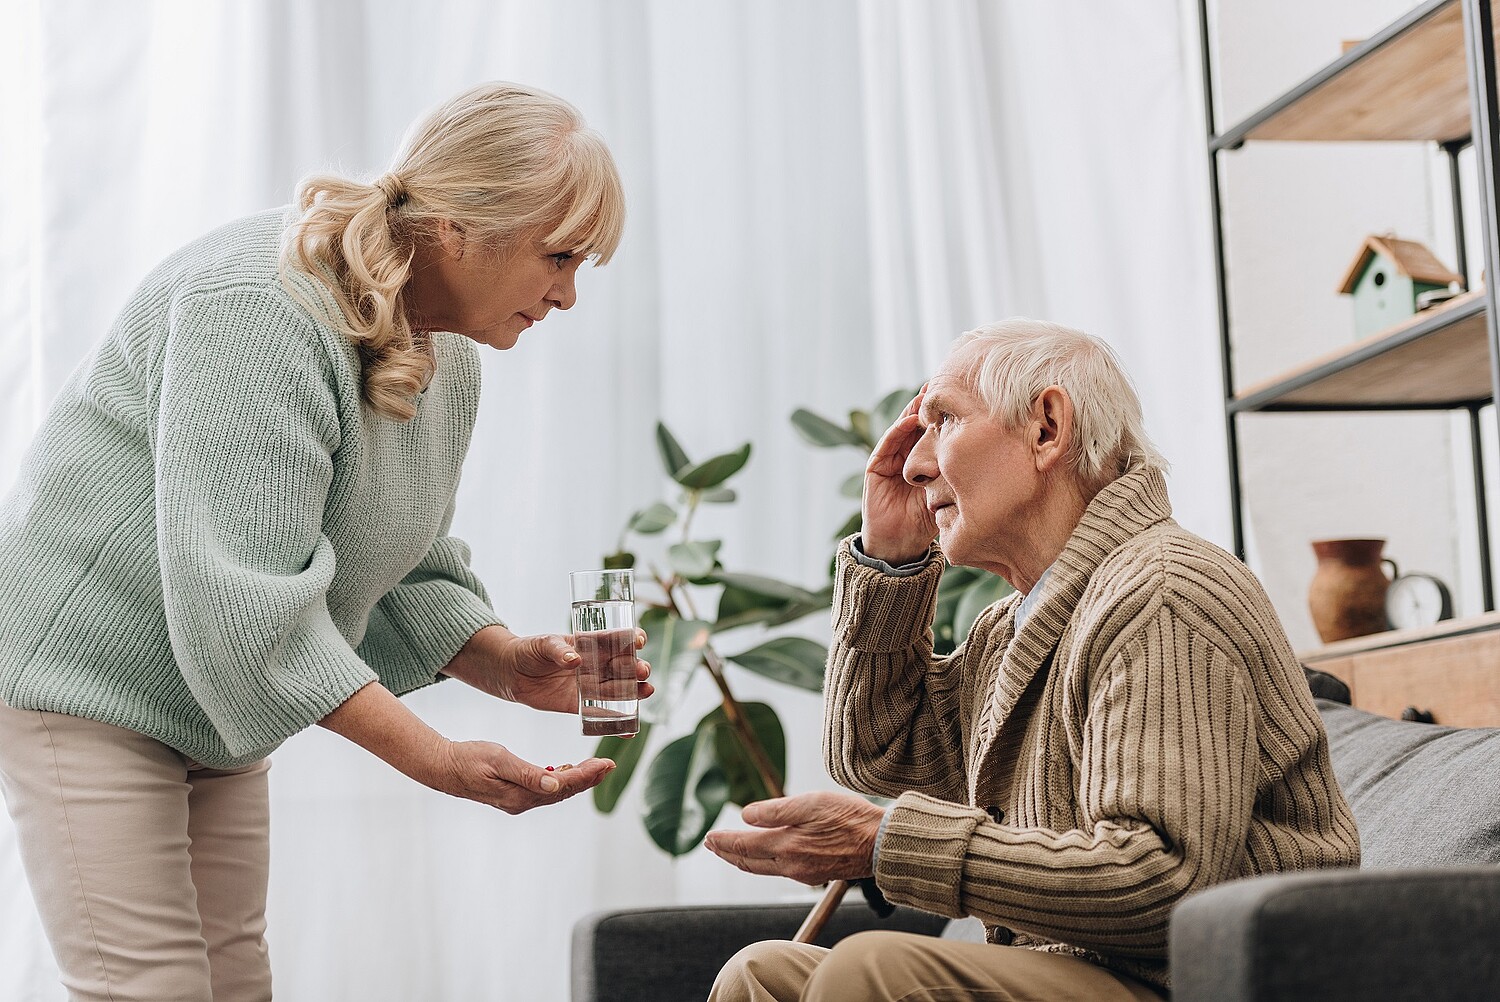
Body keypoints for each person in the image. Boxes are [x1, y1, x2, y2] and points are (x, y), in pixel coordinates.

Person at [0, 82, 649, 1002]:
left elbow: (402, 554)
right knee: (150, 989)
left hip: (212, 699)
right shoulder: (257, 307)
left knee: (235, 985)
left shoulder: (445, 346)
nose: (568, 294)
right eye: (558, 256)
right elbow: (246, 600)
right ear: (459, 227)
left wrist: (506, 662)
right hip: (86, 681)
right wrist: (438, 758)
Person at [704, 318, 1360, 1001]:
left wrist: (886, 844)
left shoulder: (1163, 593)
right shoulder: (1015, 626)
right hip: (1091, 974)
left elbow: (1162, 877)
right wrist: (890, 560)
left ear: (1047, 428)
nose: (914, 462)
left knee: (868, 972)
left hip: (1201, 980)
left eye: (946, 421)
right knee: (762, 975)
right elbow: (874, 750)